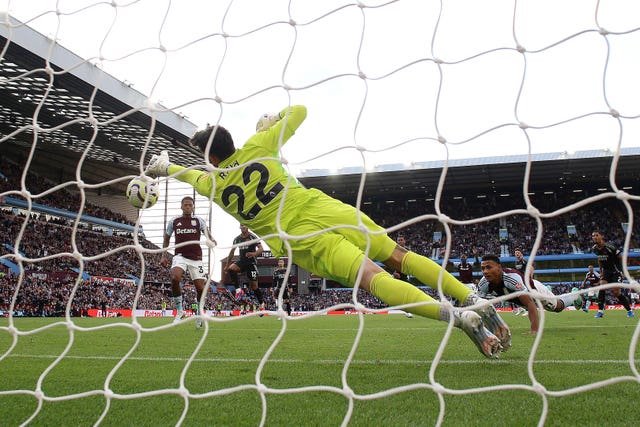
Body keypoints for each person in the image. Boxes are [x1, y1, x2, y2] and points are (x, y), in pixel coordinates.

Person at [145, 104, 511, 358]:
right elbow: (301, 111)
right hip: (326, 209)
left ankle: (459, 319)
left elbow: (188, 175)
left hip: (301, 237)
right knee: (399, 256)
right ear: (232, 142)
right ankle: (468, 297)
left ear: (211, 158)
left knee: (372, 278)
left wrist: (164, 167)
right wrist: (272, 122)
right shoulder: (260, 145)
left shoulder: (215, 185)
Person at [477, 254, 581, 335]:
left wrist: (534, 330)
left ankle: (574, 295)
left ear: (499, 267)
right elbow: (478, 306)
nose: (485, 271)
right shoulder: (483, 284)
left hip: (535, 292)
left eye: (489, 267)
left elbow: (530, 303)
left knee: (557, 307)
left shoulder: (511, 279)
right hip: (519, 297)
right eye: (483, 268)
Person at [161, 196, 216, 327]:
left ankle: (199, 312)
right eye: (185, 205)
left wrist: (212, 241)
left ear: (193, 207)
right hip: (180, 256)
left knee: (200, 288)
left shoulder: (199, 221)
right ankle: (180, 311)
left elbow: (208, 234)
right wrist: (163, 255)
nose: (187, 207)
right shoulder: (174, 221)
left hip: (196, 258)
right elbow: (166, 238)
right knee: (175, 278)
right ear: (181, 206)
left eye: (190, 205)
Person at [590, 230, 634, 318]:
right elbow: (600, 259)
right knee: (601, 287)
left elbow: (621, 258)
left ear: (601, 236)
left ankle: (629, 310)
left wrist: (623, 271)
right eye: (593, 236)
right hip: (606, 271)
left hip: (616, 271)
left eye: (596, 235)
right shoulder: (594, 248)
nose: (594, 237)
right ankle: (600, 311)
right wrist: (601, 272)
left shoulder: (610, 247)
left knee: (616, 293)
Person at [226, 225, 265, 308]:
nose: (243, 227)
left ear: (247, 227)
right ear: (239, 227)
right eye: (241, 225)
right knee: (231, 269)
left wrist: (254, 254)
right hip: (242, 261)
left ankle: (261, 303)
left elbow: (261, 249)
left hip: (251, 263)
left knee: (254, 286)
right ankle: (238, 290)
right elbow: (232, 252)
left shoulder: (253, 237)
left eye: (244, 225)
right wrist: (226, 265)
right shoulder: (237, 239)